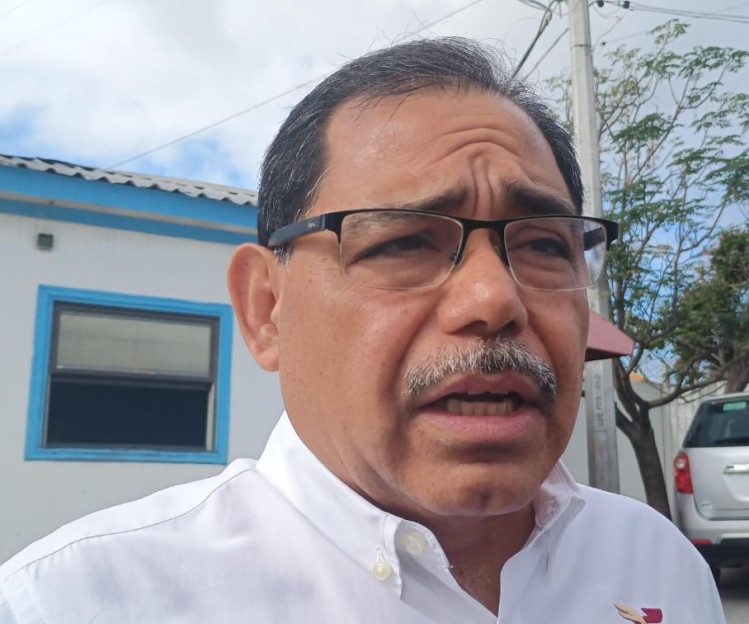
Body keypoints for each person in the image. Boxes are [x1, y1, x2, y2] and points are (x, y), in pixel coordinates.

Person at [0, 37, 724, 624]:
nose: (494, 298)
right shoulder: (76, 601)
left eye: (542, 244)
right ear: (265, 308)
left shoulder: (655, 563)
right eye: (403, 242)